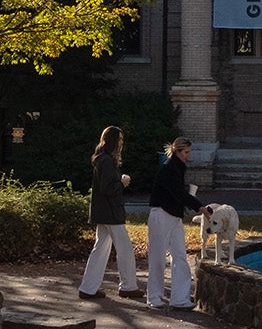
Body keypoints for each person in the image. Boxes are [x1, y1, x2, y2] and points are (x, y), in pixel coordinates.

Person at [79, 126, 143, 301]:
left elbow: (104, 187)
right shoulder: (106, 161)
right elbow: (108, 189)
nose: (122, 143)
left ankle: (88, 288)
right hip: (111, 212)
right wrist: (122, 183)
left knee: (100, 249)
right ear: (114, 141)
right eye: (120, 139)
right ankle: (128, 286)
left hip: (104, 212)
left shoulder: (102, 159)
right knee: (125, 249)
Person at [143, 136, 206, 310]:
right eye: (186, 152)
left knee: (179, 255)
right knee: (157, 256)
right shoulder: (169, 169)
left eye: (189, 152)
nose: (188, 156)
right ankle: (154, 296)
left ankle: (179, 297)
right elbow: (178, 193)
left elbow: (178, 194)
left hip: (173, 215)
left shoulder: (176, 168)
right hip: (161, 214)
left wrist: (193, 204)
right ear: (177, 151)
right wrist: (200, 207)